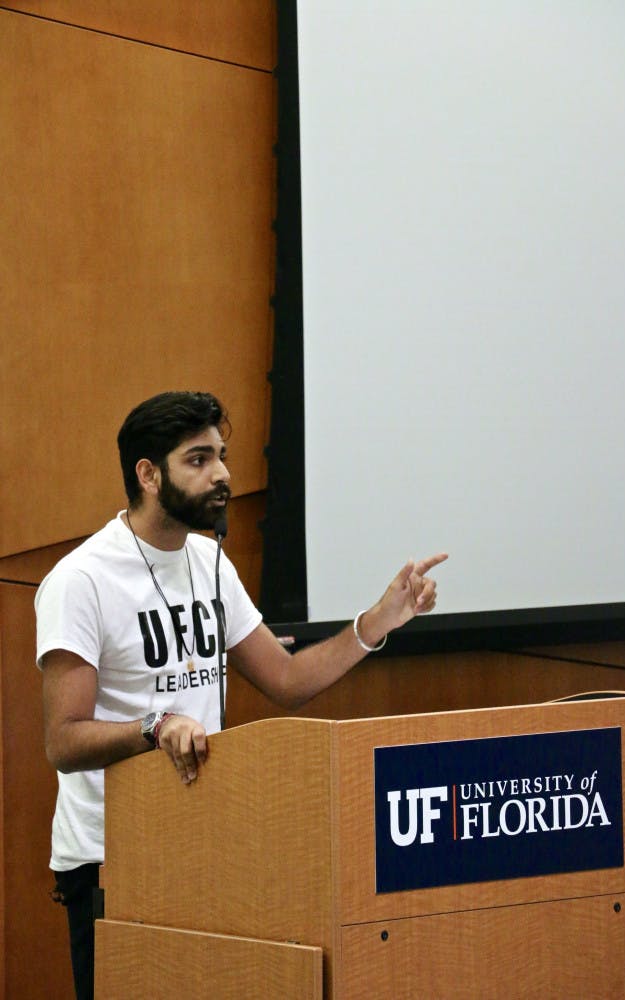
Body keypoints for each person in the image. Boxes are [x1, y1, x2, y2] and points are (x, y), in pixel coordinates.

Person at [36, 390, 447, 1000]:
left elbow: (285, 680)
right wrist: (153, 727)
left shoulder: (210, 562)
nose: (224, 475)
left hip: (210, 842)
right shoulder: (82, 580)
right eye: (198, 460)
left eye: (222, 457)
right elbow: (63, 741)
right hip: (113, 861)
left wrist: (377, 622)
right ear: (148, 475)